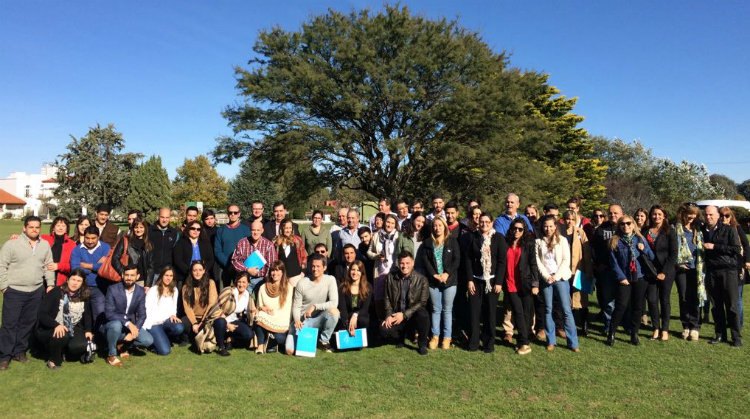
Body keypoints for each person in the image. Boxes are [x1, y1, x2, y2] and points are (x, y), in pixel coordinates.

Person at [0, 216, 55, 370]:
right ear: (24, 228)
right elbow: (2, 266)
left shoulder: (44, 245)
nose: (34, 230)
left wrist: (50, 284)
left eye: (37, 227)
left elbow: (48, 265)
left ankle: (19, 351)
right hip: (14, 290)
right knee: (9, 324)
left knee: (27, 324)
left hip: (36, 290)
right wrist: (4, 287)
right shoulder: (12, 244)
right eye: (31, 227)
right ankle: (5, 356)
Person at [606, 215, 655, 346]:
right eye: (622, 224)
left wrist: (643, 249)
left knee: (637, 307)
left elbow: (652, 256)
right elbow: (613, 262)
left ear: (633, 225)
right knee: (621, 306)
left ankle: (634, 334)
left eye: (628, 223)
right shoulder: (615, 241)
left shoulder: (640, 239)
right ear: (619, 226)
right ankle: (612, 333)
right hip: (624, 278)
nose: (626, 226)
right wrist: (621, 277)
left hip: (640, 277)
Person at [464, 213, 508, 353]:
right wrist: (470, 279)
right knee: (474, 312)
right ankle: (473, 343)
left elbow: (502, 262)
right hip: (476, 280)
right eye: (482, 222)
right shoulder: (473, 237)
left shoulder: (499, 238)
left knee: (490, 312)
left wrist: (499, 282)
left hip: (492, 280)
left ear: (492, 222)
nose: (484, 224)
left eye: (487, 222)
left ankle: (489, 344)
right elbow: (468, 260)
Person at [535, 215, 579, 352]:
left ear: (555, 227)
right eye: (545, 226)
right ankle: (551, 341)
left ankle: (573, 342)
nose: (548, 229)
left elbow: (566, 260)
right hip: (546, 279)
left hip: (561, 278)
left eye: (551, 226)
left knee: (566, 310)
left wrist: (556, 276)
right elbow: (538, 262)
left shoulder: (563, 241)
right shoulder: (538, 242)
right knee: (548, 309)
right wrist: (547, 276)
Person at [36, 269, 94, 369]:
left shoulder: (83, 295)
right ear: (67, 279)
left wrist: (88, 330)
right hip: (51, 326)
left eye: (78, 281)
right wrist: (56, 325)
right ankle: (54, 360)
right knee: (62, 335)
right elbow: (42, 315)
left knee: (81, 345)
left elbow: (87, 314)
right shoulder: (56, 292)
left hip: (73, 327)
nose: (75, 283)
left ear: (82, 283)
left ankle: (66, 353)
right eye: (73, 279)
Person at [703, 205, 742, 346]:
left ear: (718, 215)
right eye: (706, 215)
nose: (708, 217)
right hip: (712, 272)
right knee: (716, 306)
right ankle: (720, 335)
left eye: (711, 214)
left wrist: (715, 246)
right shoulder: (703, 231)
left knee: (731, 306)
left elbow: (736, 249)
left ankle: (736, 337)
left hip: (728, 271)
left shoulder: (729, 230)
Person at [286, 254, 339, 354]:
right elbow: (296, 306)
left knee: (334, 311)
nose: (315, 269)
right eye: (313, 266)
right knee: (290, 351)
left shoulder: (330, 280)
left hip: (319, 318)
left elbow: (334, 303)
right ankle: (309, 339)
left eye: (318, 266)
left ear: (324, 267)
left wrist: (315, 307)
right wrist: (297, 319)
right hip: (303, 321)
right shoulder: (302, 283)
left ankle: (323, 341)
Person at [421, 217, 461, 350]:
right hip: (433, 281)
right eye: (435, 226)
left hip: (449, 281)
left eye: (440, 225)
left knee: (447, 310)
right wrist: (434, 275)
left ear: (444, 226)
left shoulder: (452, 242)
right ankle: (435, 336)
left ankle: (447, 337)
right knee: (435, 309)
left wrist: (446, 274)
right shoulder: (427, 243)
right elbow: (425, 260)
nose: (437, 228)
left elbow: (456, 260)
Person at [380, 251, 430, 355]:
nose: (404, 266)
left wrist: (404, 314)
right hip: (396, 313)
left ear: (413, 263)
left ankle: (422, 344)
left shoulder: (422, 279)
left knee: (424, 315)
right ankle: (400, 338)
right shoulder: (390, 277)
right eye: (402, 263)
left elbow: (422, 302)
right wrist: (388, 315)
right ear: (398, 263)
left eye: (407, 263)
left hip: (412, 314)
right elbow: (387, 297)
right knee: (383, 330)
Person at [104, 264, 154, 367]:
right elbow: (109, 313)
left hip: (130, 326)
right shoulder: (112, 289)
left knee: (148, 340)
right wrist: (128, 324)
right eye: (127, 275)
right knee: (116, 325)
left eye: (132, 275)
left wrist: (135, 330)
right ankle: (112, 354)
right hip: (113, 324)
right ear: (122, 275)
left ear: (137, 276)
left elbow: (142, 315)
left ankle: (123, 346)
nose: (129, 278)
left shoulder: (140, 291)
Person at [643, 205, 678, 341]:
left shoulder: (670, 231)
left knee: (664, 300)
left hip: (666, 271)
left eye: (659, 214)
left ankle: (665, 329)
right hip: (650, 271)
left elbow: (673, 254)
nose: (656, 217)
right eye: (654, 214)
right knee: (652, 300)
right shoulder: (646, 231)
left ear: (664, 216)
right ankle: (655, 328)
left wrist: (664, 272)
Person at [673, 203, 706, 341]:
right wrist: (678, 262)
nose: (691, 216)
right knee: (684, 297)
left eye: (694, 214)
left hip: (696, 269)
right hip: (681, 269)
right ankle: (685, 325)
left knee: (695, 297)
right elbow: (672, 249)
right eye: (689, 213)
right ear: (683, 213)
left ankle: (695, 326)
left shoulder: (699, 229)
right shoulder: (675, 229)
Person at [70, 226, 111, 334]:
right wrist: (97, 266)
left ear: (98, 237)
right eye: (87, 238)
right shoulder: (77, 250)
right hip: (82, 287)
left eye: (93, 238)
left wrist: (86, 265)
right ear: (84, 237)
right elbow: (75, 269)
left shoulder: (106, 248)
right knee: (81, 315)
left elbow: (106, 268)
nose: (90, 241)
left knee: (99, 314)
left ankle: (100, 339)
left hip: (99, 287)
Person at [561, 210, 594, 337]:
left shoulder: (580, 232)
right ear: (563, 220)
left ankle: (584, 326)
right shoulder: (560, 233)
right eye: (567, 219)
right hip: (564, 271)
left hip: (578, 270)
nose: (569, 221)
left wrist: (588, 270)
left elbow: (586, 252)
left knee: (581, 299)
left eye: (572, 219)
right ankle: (569, 325)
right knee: (566, 298)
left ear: (575, 220)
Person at [592, 204, 623, 335]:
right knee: (608, 300)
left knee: (623, 299)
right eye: (610, 213)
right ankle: (609, 325)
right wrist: (597, 264)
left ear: (621, 213)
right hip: (606, 270)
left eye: (615, 213)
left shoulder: (625, 226)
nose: (613, 215)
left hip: (622, 270)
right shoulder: (600, 229)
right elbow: (593, 248)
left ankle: (625, 324)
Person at [719, 207, 750, 328]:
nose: (724, 218)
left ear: (731, 217)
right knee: (726, 296)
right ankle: (730, 321)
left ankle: (738, 323)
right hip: (723, 267)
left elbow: (746, 246)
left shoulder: (737, 229)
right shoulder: (717, 230)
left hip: (738, 267)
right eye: (722, 216)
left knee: (737, 297)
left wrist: (747, 261)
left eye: (727, 216)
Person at [254, 261, 294, 354]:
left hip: (281, 320)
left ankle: (271, 340)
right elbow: (259, 306)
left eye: (278, 270)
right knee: (259, 316)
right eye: (272, 270)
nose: (275, 273)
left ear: (282, 272)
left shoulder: (288, 287)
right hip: (267, 317)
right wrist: (264, 309)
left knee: (281, 339)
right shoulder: (263, 287)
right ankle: (260, 346)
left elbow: (287, 309)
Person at [143, 266, 185, 355]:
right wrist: (145, 326)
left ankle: (163, 337)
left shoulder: (174, 290)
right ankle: (152, 345)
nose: (168, 278)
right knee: (165, 351)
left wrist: (173, 314)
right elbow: (146, 309)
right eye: (166, 275)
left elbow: (174, 307)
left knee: (179, 327)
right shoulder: (154, 290)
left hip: (166, 321)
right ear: (162, 276)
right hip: (154, 323)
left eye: (171, 275)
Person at [367, 214, 400, 322]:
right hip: (379, 270)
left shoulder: (398, 236)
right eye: (387, 222)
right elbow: (369, 252)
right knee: (380, 297)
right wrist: (376, 256)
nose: (389, 225)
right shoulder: (376, 235)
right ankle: (381, 321)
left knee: (393, 295)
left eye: (392, 223)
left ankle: (393, 321)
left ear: (395, 225)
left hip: (393, 269)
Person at [212, 273, 254, 356]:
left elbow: (251, 310)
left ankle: (230, 339)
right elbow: (215, 310)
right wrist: (227, 325)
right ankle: (221, 347)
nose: (241, 284)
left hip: (234, 321)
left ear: (248, 283)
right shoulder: (228, 291)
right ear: (235, 282)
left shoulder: (247, 295)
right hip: (220, 320)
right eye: (239, 282)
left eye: (244, 282)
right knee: (221, 322)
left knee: (248, 334)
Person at [180, 260, 219, 345]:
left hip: (207, 317)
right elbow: (187, 307)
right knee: (182, 322)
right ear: (191, 271)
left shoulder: (210, 283)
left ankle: (194, 337)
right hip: (193, 318)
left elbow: (211, 305)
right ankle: (188, 337)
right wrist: (194, 323)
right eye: (195, 270)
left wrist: (202, 322)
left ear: (204, 271)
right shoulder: (186, 287)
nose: (198, 273)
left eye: (200, 270)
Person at [214, 204, 251, 290]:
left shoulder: (245, 230)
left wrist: (239, 265)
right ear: (228, 214)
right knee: (224, 293)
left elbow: (249, 248)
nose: (233, 214)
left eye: (235, 212)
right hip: (225, 267)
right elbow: (217, 250)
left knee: (240, 294)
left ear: (239, 214)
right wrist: (228, 264)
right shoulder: (221, 230)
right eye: (230, 212)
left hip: (241, 268)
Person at [112, 217, 154, 289]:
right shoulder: (125, 241)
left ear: (145, 228)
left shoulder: (149, 244)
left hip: (141, 281)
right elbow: (115, 258)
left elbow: (151, 266)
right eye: (136, 227)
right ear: (133, 228)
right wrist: (124, 272)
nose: (138, 230)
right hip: (127, 279)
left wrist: (148, 284)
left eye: (141, 227)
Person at [173, 220, 215, 285]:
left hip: (202, 277)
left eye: (198, 229)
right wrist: (190, 272)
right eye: (193, 228)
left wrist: (203, 271)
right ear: (188, 229)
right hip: (185, 276)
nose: (196, 231)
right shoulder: (181, 242)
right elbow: (178, 260)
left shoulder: (205, 242)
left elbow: (211, 259)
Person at [337, 261, 372, 337]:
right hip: (346, 316)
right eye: (353, 269)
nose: (355, 272)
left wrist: (356, 315)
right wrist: (347, 324)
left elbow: (365, 308)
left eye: (358, 270)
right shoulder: (343, 287)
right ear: (349, 271)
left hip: (361, 316)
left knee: (363, 320)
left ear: (362, 273)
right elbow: (343, 309)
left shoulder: (368, 287)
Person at [42, 216, 77, 286]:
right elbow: (30, 239)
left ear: (67, 229)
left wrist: (59, 266)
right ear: (53, 228)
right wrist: (16, 237)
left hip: (61, 280)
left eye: (63, 226)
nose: (60, 228)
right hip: (42, 277)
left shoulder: (71, 244)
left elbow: (73, 265)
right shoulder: (44, 239)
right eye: (58, 225)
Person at [149, 208, 180, 286]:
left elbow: (175, 253)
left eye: (167, 217)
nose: (164, 220)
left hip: (167, 273)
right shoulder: (149, 231)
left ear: (170, 218)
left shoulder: (174, 233)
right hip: (152, 273)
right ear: (158, 217)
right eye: (162, 217)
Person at [274, 218, 307, 287]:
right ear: (282, 228)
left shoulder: (297, 240)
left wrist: (303, 271)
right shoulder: (276, 241)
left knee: (295, 296)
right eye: (286, 228)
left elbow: (303, 256)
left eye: (290, 228)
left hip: (296, 274)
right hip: (281, 274)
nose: (288, 230)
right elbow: (274, 258)